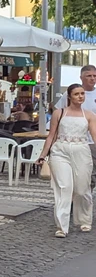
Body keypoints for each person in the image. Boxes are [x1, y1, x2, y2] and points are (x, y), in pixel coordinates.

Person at [37, 83, 96, 237]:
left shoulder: (89, 115)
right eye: (77, 94)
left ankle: (84, 220)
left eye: (82, 94)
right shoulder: (59, 113)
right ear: (69, 96)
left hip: (81, 150)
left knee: (82, 189)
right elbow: (52, 135)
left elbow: (95, 137)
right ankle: (62, 226)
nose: (80, 96)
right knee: (64, 187)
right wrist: (43, 155)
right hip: (60, 151)